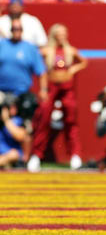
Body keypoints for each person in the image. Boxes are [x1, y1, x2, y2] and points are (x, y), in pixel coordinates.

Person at [27, 24, 88, 173]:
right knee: (43, 119)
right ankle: (36, 155)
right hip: (52, 87)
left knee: (71, 120)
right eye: (59, 33)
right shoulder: (47, 51)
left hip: (67, 88)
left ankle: (75, 156)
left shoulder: (70, 51)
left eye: (63, 33)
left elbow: (84, 62)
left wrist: (72, 69)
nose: (61, 36)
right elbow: (35, 60)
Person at [0, 92, 27, 169]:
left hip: (12, 157)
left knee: (13, 154)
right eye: (12, 106)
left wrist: (6, 120)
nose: (15, 109)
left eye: (15, 106)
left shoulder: (18, 120)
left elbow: (20, 136)